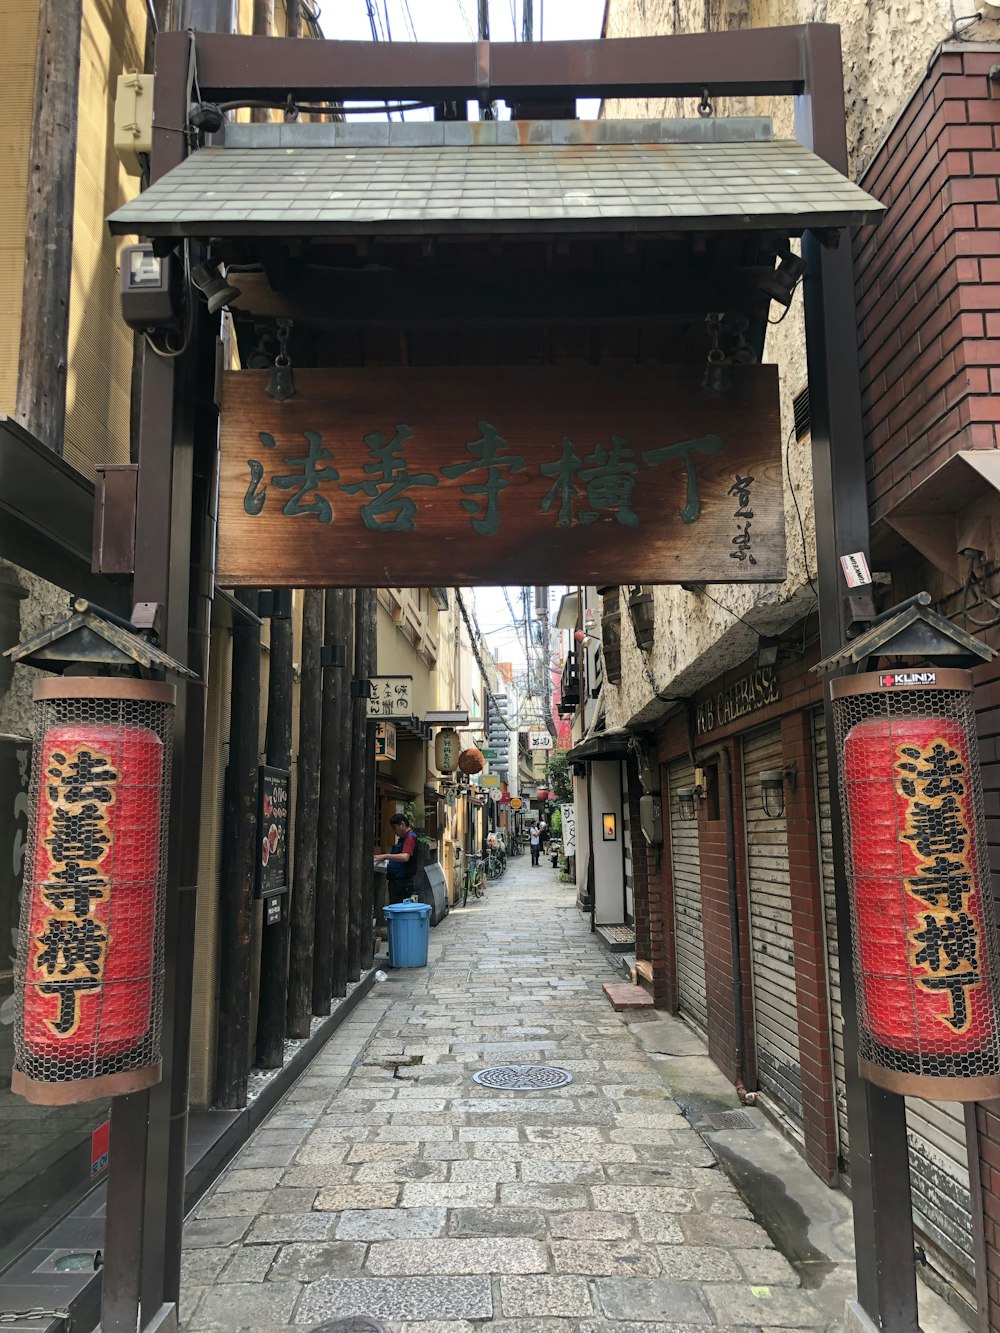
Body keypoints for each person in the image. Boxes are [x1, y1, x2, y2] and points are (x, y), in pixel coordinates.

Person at [377, 812, 419, 895]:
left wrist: (385, 856)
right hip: (398, 881)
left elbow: (405, 857)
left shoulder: (410, 838)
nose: (394, 831)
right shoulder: (403, 838)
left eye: (395, 828)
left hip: (403, 883)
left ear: (402, 824)